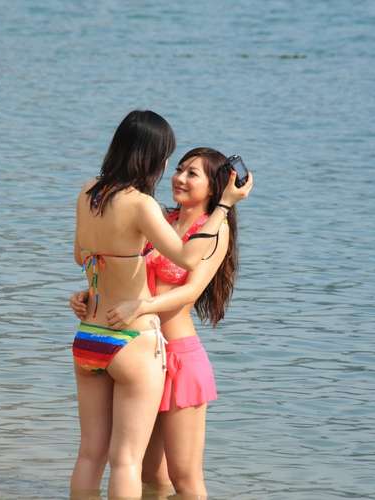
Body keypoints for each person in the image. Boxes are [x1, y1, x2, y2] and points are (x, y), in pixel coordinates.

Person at [69, 111, 251, 499]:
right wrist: (90, 292)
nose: (179, 177)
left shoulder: (214, 230)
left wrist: (143, 305)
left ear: (215, 187)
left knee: (184, 478)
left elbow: (190, 291)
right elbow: (114, 262)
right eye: (178, 167)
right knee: (150, 474)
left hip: (178, 356)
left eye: (192, 173)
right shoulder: (157, 215)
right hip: (139, 348)